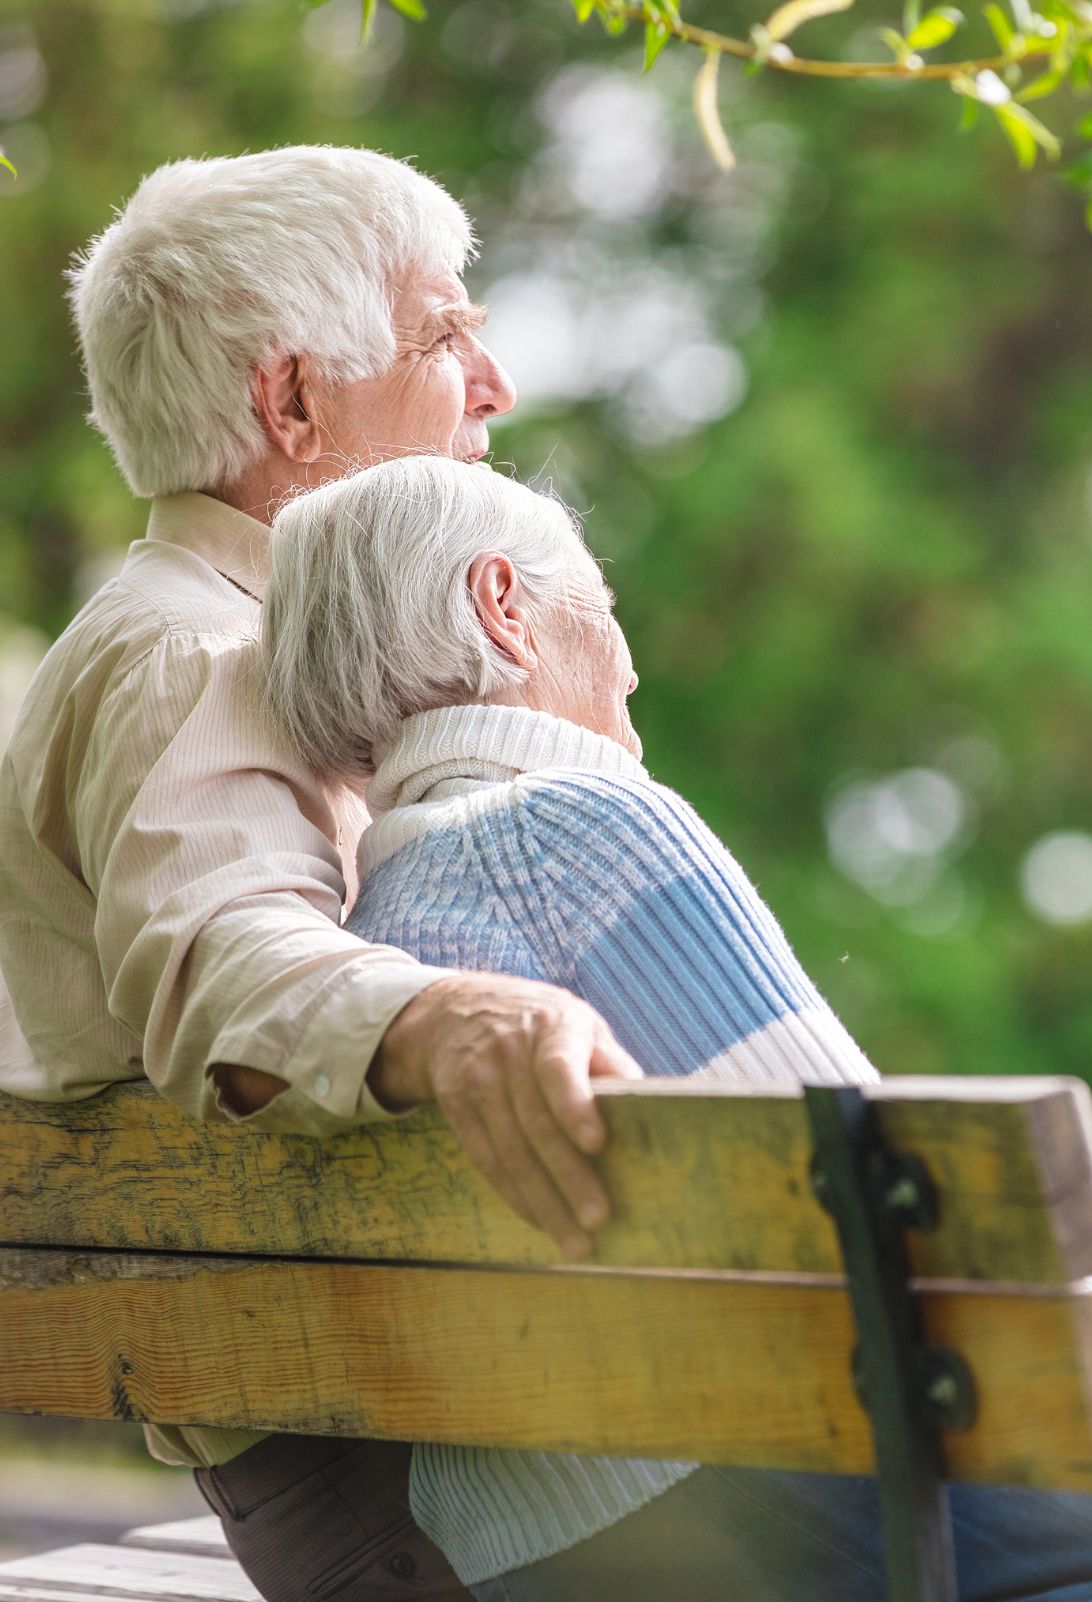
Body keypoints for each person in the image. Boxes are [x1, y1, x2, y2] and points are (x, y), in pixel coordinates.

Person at [259, 453, 1092, 1602]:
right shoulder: (576, 826)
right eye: (599, 603)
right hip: (755, 1484)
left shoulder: (375, 922)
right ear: (504, 605)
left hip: (524, 1545)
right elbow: (914, 1248)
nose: (634, 656)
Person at [0, 147, 644, 1602]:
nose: (497, 383)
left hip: (430, 1416)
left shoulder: (262, 645)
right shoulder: (199, 652)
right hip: (391, 1480)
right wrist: (452, 1021)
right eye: (445, 335)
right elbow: (224, 955)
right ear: (292, 402)